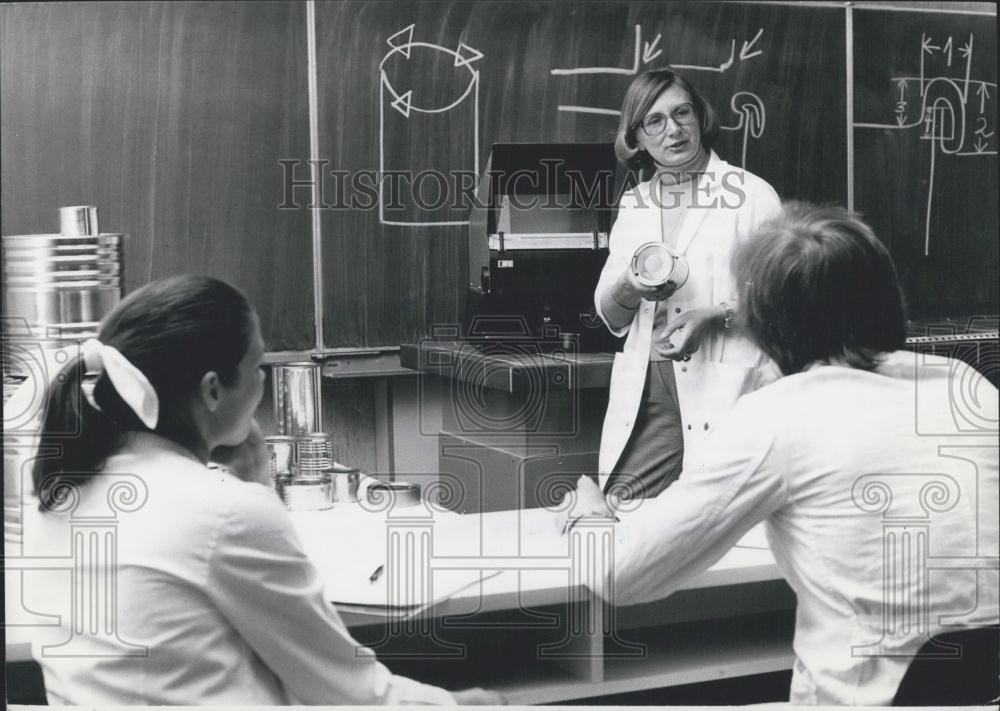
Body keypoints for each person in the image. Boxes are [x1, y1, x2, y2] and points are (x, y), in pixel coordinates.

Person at [570, 203, 999, 705]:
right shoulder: (965, 384)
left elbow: (620, 576)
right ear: (887, 296)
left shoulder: (777, 415)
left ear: (763, 321)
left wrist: (589, 519)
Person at [22, 275, 502, 706]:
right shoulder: (222, 512)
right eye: (256, 366)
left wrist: (252, 485)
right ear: (213, 390)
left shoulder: (57, 491)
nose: (264, 380)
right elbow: (349, 693)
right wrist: (459, 705)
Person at [595, 68, 781, 499]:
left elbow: (788, 301)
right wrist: (631, 286)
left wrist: (716, 315)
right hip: (650, 386)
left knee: (721, 526)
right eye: (655, 121)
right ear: (637, 138)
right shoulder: (635, 203)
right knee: (622, 514)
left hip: (725, 383)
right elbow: (610, 314)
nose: (673, 130)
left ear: (700, 118)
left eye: (682, 113)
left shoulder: (751, 196)